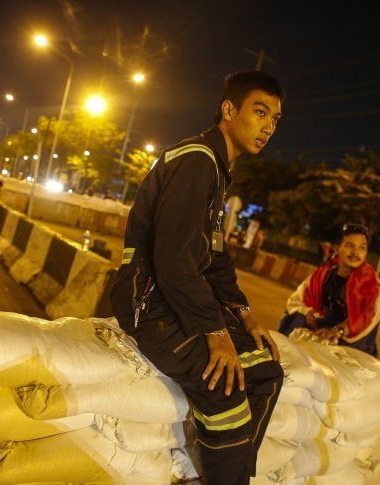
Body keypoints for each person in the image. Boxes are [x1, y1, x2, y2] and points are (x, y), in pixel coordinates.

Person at [110, 71, 284, 485]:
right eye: (260, 112)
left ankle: (227, 475)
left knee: (266, 371)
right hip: (148, 303)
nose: (268, 126)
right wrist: (214, 331)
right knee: (227, 395)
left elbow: (216, 260)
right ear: (229, 109)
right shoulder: (196, 161)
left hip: (176, 302)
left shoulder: (218, 171)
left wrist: (243, 314)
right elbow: (173, 262)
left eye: (276, 119)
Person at [278, 223, 380, 356]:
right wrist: (307, 312)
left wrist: (337, 331)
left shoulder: (372, 283)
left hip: (348, 339)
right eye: (350, 246)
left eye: (362, 248)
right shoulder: (324, 274)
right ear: (337, 248)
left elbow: (367, 316)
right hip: (321, 329)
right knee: (296, 317)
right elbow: (297, 299)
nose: (355, 252)